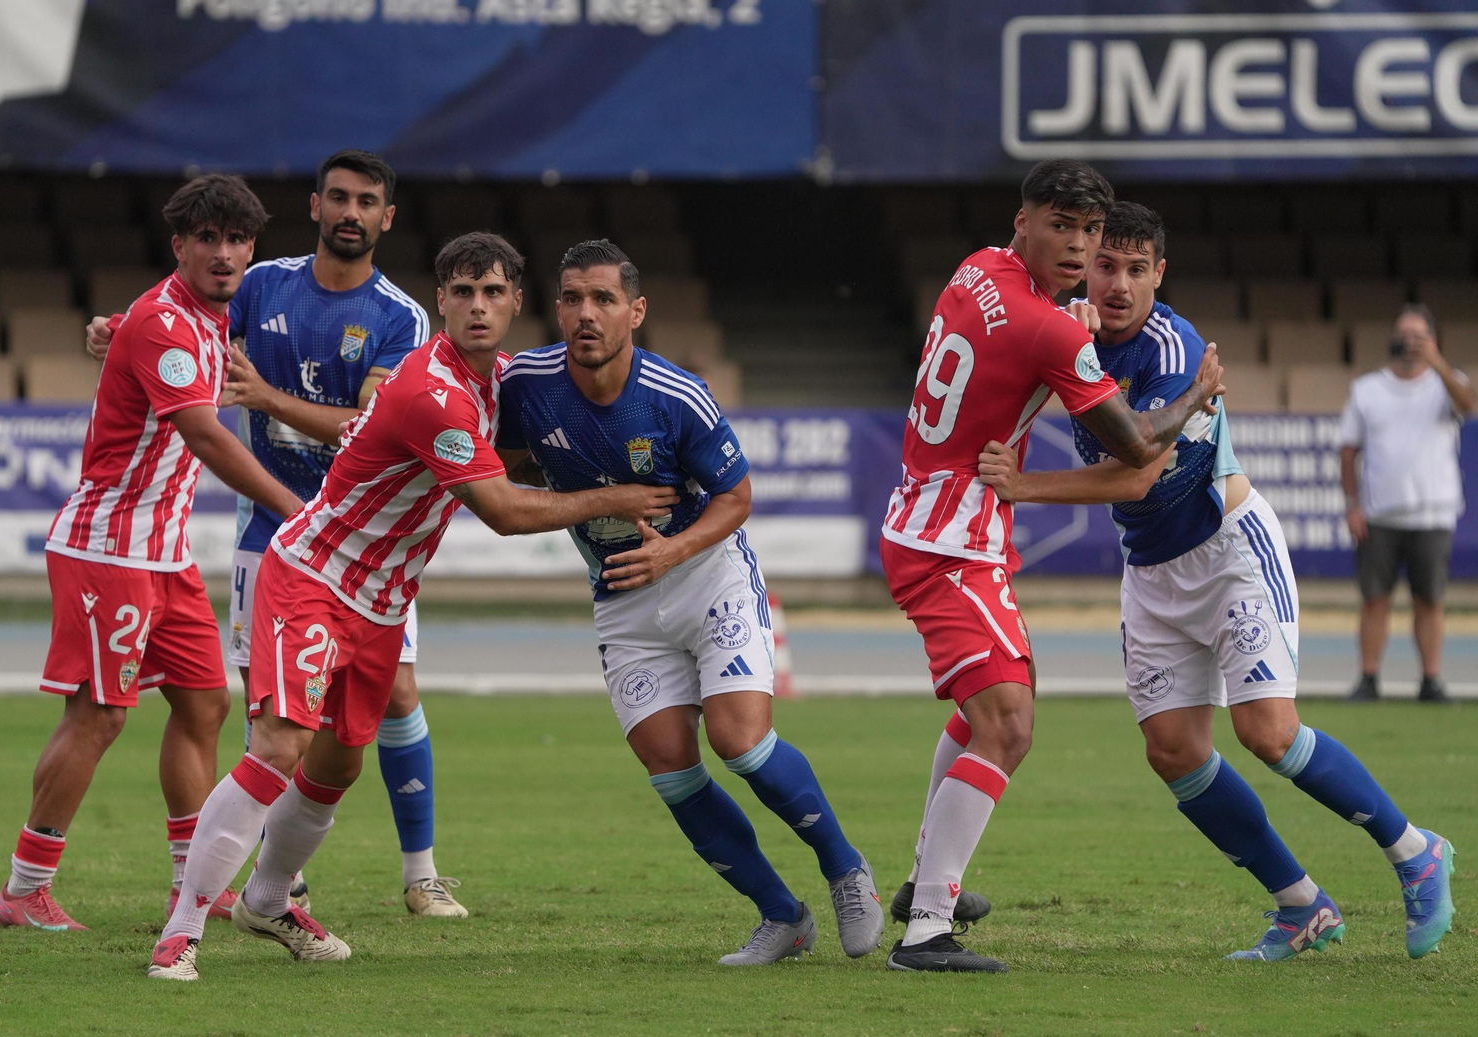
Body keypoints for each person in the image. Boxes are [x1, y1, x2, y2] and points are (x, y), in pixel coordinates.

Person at [147, 233, 680, 980]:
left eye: (494, 292)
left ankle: (269, 901)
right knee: (276, 747)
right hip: (314, 575)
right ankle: (182, 930)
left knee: (335, 767)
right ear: (440, 303)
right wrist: (617, 496)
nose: (478, 307)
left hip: (381, 602)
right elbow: (500, 509)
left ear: (518, 302)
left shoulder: (497, 383)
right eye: (462, 292)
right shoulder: (434, 389)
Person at [978, 202, 1455, 963]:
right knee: (1171, 749)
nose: (1120, 284)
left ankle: (1414, 851)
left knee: (1266, 732)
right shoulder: (1069, 332)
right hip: (1152, 572)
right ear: (1085, 262)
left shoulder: (1174, 348)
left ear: (1159, 275)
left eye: (1138, 270)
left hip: (1230, 551)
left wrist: (1022, 487)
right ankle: (1301, 907)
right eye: (1107, 264)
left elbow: (1138, 478)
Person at [86, 150, 464, 918]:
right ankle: (273, 879)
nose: (351, 212)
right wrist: (120, 330)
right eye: (338, 198)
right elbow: (186, 312)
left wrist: (267, 397)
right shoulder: (262, 284)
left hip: (365, 541)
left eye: (367, 202)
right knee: (271, 712)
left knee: (393, 694)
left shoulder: (400, 317)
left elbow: (369, 426)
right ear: (316, 207)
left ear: (386, 219)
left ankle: (420, 874)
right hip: (271, 533)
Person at [494, 239, 885, 966]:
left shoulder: (676, 396)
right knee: (671, 769)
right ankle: (782, 916)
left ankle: (844, 868)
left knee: (741, 743)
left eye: (604, 299)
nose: (587, 314)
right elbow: (504, 466)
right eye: (573, 298)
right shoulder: (526, 385)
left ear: (635, 311)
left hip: (708, 577)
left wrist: (674, 548)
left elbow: (737, 497)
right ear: (555, 308)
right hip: (622, 600)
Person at [880, 161, 1225, 974]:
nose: (1078, 246)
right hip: (951, 540)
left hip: (938, 518)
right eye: (1061, 226)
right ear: (1025, 221)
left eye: (1091, 232)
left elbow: (1017, 331)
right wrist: (1197, 394)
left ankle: (925, 882)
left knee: (985, 709)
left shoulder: (977, 267)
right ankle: (926, 929)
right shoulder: (1052, 331)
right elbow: (1136, 444)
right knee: (1010, 723)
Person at [0, 176, 305, 932]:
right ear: (181, 246)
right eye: (208, 239)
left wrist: (112, 328)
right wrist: (293, 508)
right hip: (108, 545)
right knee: (98, 715)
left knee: (204, 704)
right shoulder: (168, 321)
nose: (223, 253)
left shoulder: (207, 317)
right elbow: (202, 433)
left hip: (162, 551)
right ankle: (25, 888)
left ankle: (188, 882)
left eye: (236, 240)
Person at [1341, 304, 1474, 704]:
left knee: (1430, 600)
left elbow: (1468, 406)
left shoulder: (1446, 383)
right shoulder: (1367, 389)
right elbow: (1348, 450)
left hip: (1433, 511)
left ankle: (1430, 680)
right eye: (1404, 334)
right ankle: (1368, 679)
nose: (1409, 343)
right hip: (1380, 513)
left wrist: (1437, 363)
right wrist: (1352, 504)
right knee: (1374, 600)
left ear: (1432, 340)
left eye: (1419, 336)